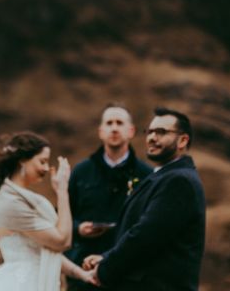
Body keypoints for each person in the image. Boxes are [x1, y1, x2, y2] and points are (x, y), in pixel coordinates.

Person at [82, 107, 206, 291]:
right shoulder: (163, 176)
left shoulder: (179, 181)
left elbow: (146, 236)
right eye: (150, 131)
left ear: (183, 140)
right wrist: (107, 257)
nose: (152, 138)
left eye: (161, 132)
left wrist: (105, 270)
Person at [0, 132, 95, 291]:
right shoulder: (11, 202)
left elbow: (45, 252)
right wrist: (62, 191)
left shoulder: (18, 198)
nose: (46, 168)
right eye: (42, 161)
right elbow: (61, 242)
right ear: (23, 160)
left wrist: (82, 274)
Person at [65, 104, 152, 290]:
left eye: (119, 123)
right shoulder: (81, 172)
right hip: (83, 269)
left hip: (128, 272)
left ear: (131, 131)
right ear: (100, 131)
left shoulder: (146, 175)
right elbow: (62, 216)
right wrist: (79, 228)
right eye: (109, 123)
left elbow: (150, 223)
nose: (114, 128)